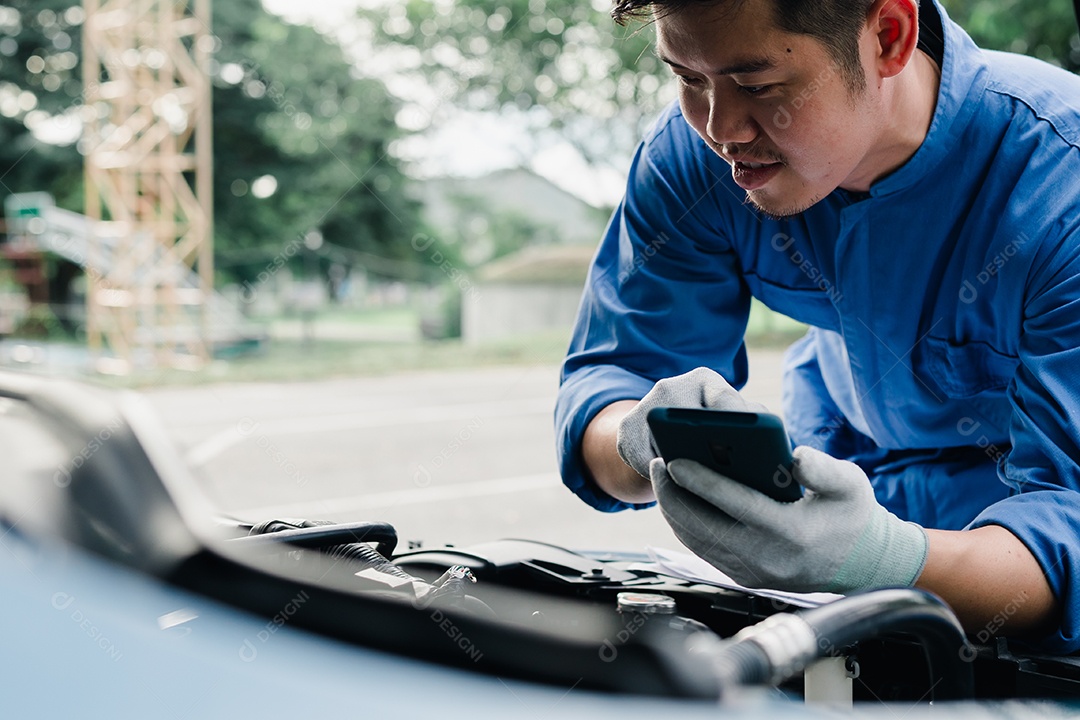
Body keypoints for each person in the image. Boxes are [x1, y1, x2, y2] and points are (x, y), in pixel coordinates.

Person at [554, 0, 1080, 653]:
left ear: (888, 36)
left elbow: (1070, 533)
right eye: (688, 78)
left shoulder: (1063, 182)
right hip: (836, 499)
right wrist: (639, 439)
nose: (721, 130)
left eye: (757, 86)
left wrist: (881, 559)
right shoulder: (692, 160)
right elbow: (611, 380)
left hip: (1009, 571)